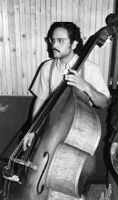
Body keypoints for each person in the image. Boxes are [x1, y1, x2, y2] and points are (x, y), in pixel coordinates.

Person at [23, 22, 110, 199]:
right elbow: (40, 99)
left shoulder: (90, 69)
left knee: (64, 188)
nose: (53, 45)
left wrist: (87, 87)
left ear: (74, 44)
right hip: (48, 133)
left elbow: (104, 102)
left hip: (74, 140)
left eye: (60, 40)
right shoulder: (46, 67)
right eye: (52, 40)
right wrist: (32, 130)